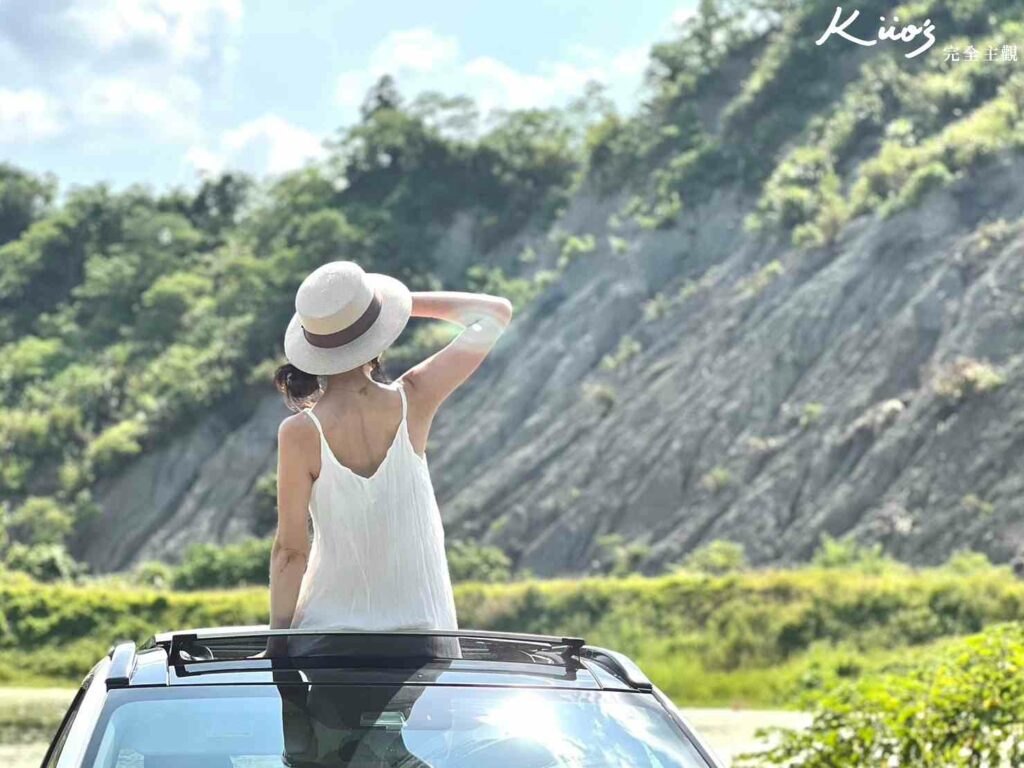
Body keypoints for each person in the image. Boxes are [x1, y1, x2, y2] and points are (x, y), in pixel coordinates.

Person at [265, 260, 512, 657]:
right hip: (425, 637)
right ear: (379, 337)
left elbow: (290, 551)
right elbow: (495, 314)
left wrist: (277, 642)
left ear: (314, 350)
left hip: (330, 637)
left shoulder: (299, 433)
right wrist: (389, 305)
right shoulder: (414, 397)